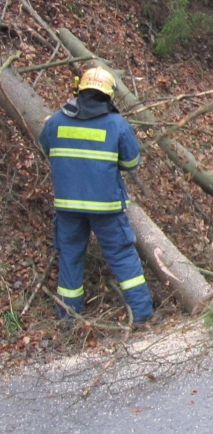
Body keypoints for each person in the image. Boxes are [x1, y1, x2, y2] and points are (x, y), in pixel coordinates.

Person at [39, 66, 155, 325]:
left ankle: (67, 317)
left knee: (70, 256)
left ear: (79, 89)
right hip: (106, 206)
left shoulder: (56, 121)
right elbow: (131, 162)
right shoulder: (117, 124)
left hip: (68, 205)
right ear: (108, 94)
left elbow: (47, 148)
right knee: (122, 255)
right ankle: (142, 313)